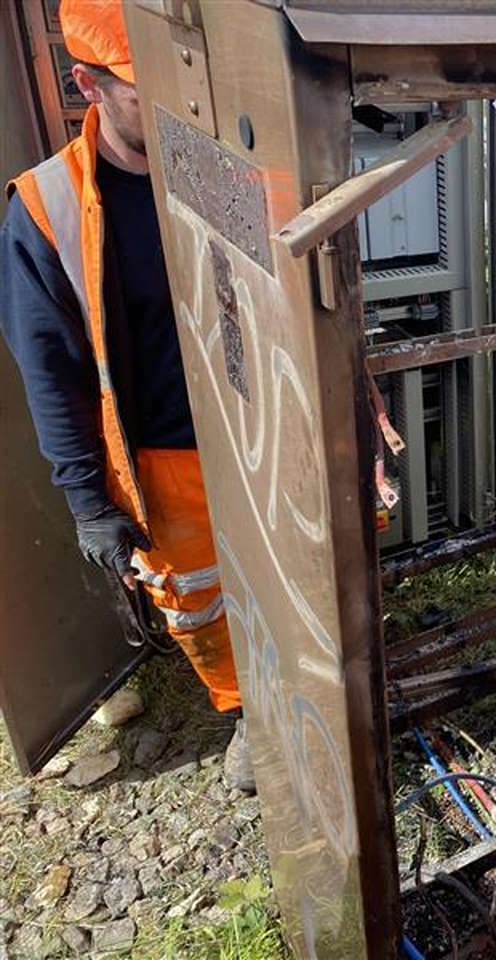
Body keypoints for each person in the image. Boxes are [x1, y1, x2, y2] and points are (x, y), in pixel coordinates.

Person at [0, 0, 253, 792]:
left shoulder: (219, 164)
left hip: (257, 429)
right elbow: (50, 370)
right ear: (88, 84)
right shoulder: (47, 211)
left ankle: (314, 681)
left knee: (292, 575)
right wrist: (87, 501)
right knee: (202, 608)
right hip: (163, 460)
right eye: (150, 89)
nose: (179, 106)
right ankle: (249, 711)